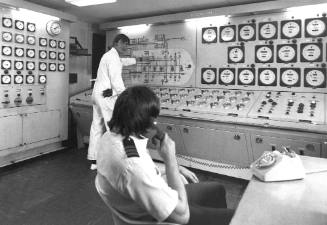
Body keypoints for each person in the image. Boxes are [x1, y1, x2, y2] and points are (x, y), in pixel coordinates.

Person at [95, 85, 234, 225]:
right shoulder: (133, 166)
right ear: (145, 124)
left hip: (143, 200)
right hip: (156, 217)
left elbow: (144, 168)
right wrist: (170, 159)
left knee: (216, 189)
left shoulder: (110, 137)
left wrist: (178, 169)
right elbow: (182, 216)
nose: (156, 126)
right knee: (234, 217)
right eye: (153, 121)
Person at [88, 34, 136, 170]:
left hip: (97, 94)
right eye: (125, 44)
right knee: (114, 127)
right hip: (106, 97)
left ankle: (94, 160)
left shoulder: (108, 55)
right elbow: (116, 80)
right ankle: (116, 162)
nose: (126, 47)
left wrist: (136, 60)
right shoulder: (113, 58)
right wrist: (125, 94)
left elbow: (122, 62)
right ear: (118, 42)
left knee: (96, 126)